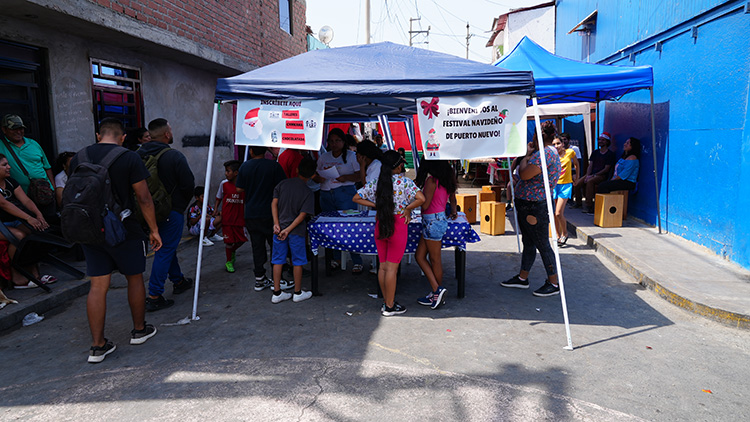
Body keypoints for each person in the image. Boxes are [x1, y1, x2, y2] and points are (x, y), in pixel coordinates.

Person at [67, 118, 162, 363]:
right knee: (134, 278)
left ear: (99, 135)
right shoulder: (129, 157)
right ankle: (139, 330)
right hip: (124, 228)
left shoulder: (79, 156)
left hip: (90, 228)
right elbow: (143, 197)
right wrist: (154, 229)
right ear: (122, 138)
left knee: (98, 286)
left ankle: (97, 346)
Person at [353, 150, 425, 316]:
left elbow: (356, 197)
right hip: (398, 224)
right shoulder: (405, 182)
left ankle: (387, 302)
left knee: (383, 267)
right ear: (399, 165)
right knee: (392, 268)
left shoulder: (377, 182)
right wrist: (407, 209)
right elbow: (421, 198)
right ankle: (390, 306)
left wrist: (375, 205)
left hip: (381, 222)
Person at [138, 118, 195, 311]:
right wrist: (179, 206)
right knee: (163, 250)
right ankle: (154, 295)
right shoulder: (174, 156)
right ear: (167, 134)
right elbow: (188, 185)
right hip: (171, 211)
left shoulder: (137, 155)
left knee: (166, 247)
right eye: (170, 129)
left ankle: (178, 280)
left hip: (145, 212)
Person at [500, 121, 562, 297]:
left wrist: (526, 157)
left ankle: (553, 282)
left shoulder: (544, 154)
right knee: (529, 242)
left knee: (542, 244)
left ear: (538, 136)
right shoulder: (541, 153)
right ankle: (522, 278)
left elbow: (524, 174)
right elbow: (515, 169)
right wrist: (527, 155)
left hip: (535, 206)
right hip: (528, 204)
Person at [236, 146, 292, 291]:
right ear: (265, 151)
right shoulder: (273, 166)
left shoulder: (245, 167)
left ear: (251, 151)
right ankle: (277, 280)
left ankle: (259, 279)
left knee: (257, 246)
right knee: (276, 246)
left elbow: (239, 189)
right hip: (270, 213)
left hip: (251, 213)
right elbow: (283, 186)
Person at [0, 153, 56, 289]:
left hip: (14, 221)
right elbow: (4, 204)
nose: (9, 167)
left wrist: (38, 215)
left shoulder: (10, 182)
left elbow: (25, 200)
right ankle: (16, 273)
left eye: (8, 164)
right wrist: (28, 218)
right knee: (18, 236)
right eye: (4, 165)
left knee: (34, 232)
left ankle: (34, 273)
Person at [316, 128, 364, 274]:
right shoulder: (324, 157)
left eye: (337, 141)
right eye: (331, 141)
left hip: (345, 194)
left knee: (349, 226)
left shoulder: (351, 156)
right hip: (326, 194)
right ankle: (335, 258)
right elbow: (317, 175)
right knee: (330, 228)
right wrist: (320, 178)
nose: (334, 144)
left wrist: (346, 178)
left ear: (344, 141)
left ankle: (356, 260)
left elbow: (360, 176)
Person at [270, 157, 316, 303]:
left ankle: (277, 293)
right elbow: (302, 216)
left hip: (279, 230)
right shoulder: (308, 192)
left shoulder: (283, 184)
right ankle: (297, 292)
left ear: (297, 170)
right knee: (297, 261)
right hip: (296, 231)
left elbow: (274, 204)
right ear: (313, 175)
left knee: (278, 260)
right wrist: (288, 230)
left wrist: (276, 224)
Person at [414, 159, 457, 310]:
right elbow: (452, 198)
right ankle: (436, 290)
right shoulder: (446, 179)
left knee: (434, 259)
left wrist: (415, 196)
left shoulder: (432, 181)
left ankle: (436, 292)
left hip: (432, 220)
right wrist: (453, 211)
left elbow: (425, 204)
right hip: (436, 219)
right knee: (420, 256)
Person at [0, 115, 56, 218]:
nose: (18, 132)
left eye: (21, 128)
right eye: (14, 129)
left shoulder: (33, 144)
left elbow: (47, 167)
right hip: (22, 198)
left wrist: (53, 188)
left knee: (51, 223)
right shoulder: (1, 146)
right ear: (4, 130)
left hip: (44, 193)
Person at [215, 160, 247, 273]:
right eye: (226, 171)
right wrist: (215, 209)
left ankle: (232, 251)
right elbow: (218, 197)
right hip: (227, 218)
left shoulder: (243, 185)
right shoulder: (223, 184)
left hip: (239, 218)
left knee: (242, 240)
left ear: (236, 173)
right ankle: (229, 261)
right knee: (228, 241)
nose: (226, 173)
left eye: (228, 171)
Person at [572, 132, 616, 213]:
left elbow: (606, 169)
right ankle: (578, 202)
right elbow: (590, 165)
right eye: (599, 139)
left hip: (601, 175)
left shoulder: (610, 154)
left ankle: (589, 206)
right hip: (591, 174)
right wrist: (588, 175)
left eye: (603, 140)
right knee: (577, 183)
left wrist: (594, 175)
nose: (600, 141)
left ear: (607, 141)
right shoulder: (595, 152)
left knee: (590, 182)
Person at [552, 136, 579, 246]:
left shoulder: (570, 152)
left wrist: (577, 177)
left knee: (559, 213)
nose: (556, 146)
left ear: (563, 143)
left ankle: (565, 233)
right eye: (553, 144)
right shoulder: (551, 155)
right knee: (554, 214)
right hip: (554, 185)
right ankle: (557, 236)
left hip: (565, 185)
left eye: (558, 143)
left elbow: (576, 164)